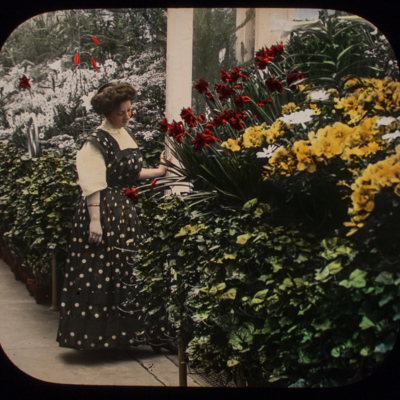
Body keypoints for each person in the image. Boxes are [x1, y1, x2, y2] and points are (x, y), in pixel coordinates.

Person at [56, 82, 169, 350]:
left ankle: (130, 334)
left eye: (130, 110)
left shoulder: (123, 135)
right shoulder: (95, 142)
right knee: (102, 271)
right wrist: (95, 221)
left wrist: (159, 171)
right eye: (122, 112)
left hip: (123, 211)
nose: (128, 116)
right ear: (107, 113)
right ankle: (101, 337)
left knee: (130, 268)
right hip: (103, 211)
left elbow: (128, 173)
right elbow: (93, 182)